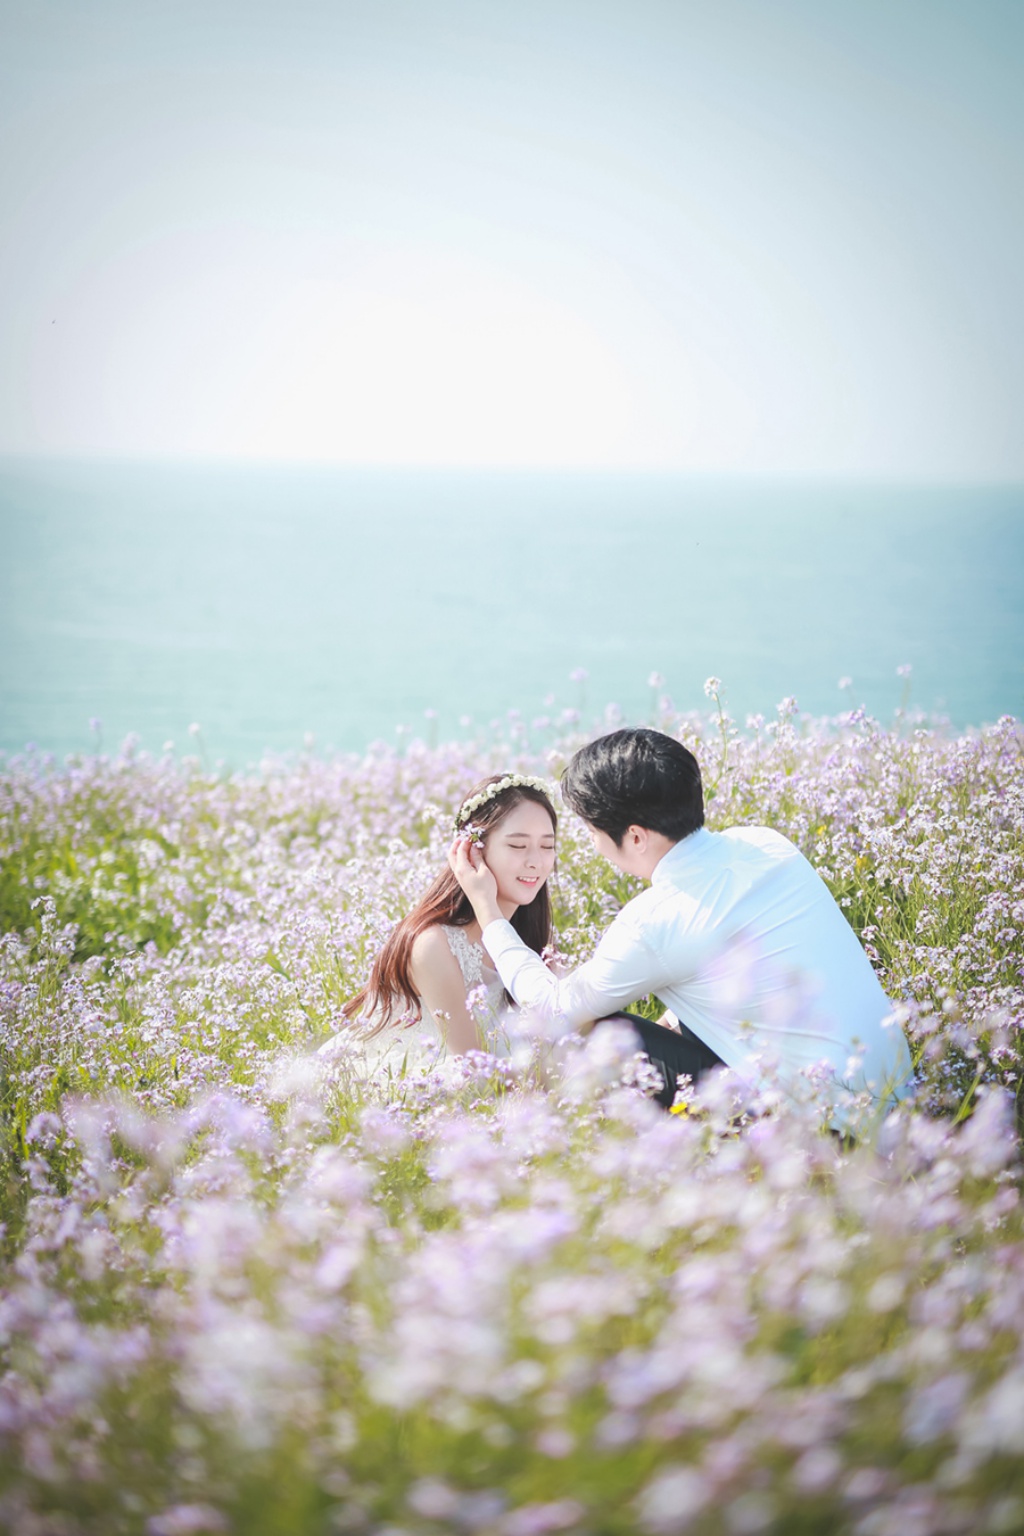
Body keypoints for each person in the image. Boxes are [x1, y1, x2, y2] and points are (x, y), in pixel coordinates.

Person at [450, 728, 913, 1116]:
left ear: (633, 837)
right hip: (897, 1101)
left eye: (591, 831)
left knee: (599, 1034)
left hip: (818, 1126)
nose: (590, 844)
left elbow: (554, 1008)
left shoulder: (656, 922)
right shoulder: (768, 844)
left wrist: (488, 910)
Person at [336, 772, 558, 1060]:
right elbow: (476, 1070)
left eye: (547, 846)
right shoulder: (434, 944)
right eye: (517, 845)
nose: (535, 861)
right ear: (471, 850)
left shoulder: (530, 939)